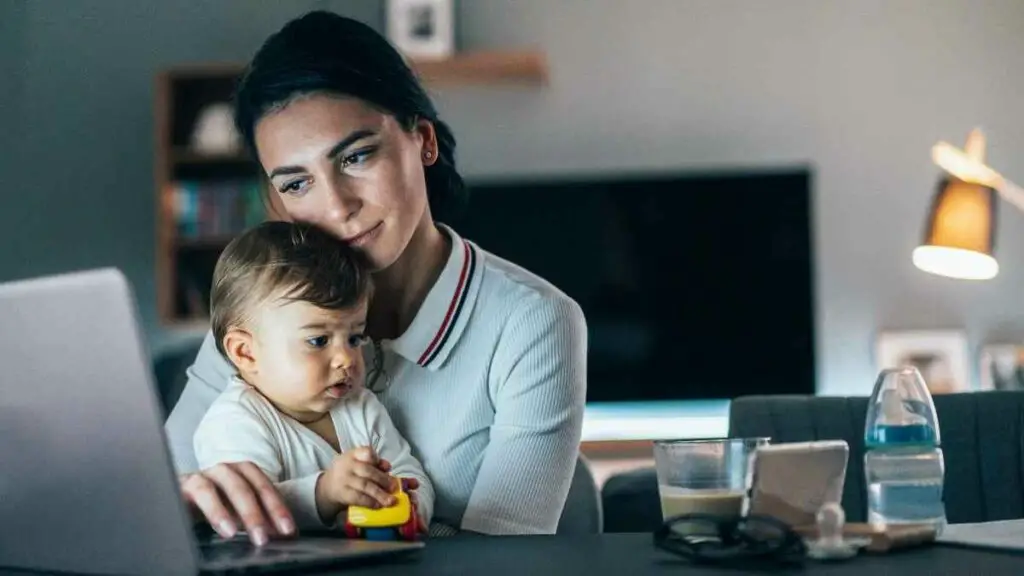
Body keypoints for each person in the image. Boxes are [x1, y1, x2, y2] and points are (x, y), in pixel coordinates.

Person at [164, 10, 587, 542]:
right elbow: (166, 496)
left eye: (357, 156)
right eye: (297, 185)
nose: (337, 206)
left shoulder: (534, 322)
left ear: (423, 140)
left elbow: (501, 557)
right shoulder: (262, 319)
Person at [192, 221, 432, 539]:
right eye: (318, 341)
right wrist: (324, 493)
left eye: (354, 338)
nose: (346, 358)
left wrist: (411, 502)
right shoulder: (233, 421)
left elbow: (406, 468)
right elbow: (246, 512)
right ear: (246, 353)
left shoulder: (360, 407)